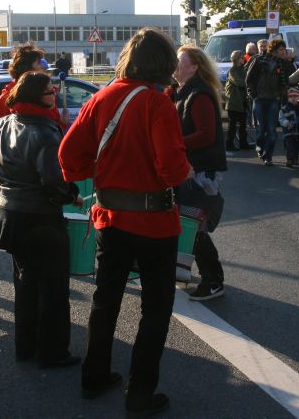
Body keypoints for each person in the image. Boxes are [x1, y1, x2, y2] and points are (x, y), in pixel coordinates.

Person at [59, 28, 191, 416]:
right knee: (155, 309)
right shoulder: (157, 103)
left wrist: (100, 171)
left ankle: (93, 376)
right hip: (153, 223)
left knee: (106, 300)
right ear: (163, 63)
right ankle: (140, 394)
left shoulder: (102, 96)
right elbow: (172, 170)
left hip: (109, 218)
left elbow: (68, 155)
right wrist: (184, 169)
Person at [0, 72, 81, 368]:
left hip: (10, 217)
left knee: (25, 286)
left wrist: (8, 189)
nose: (54, 95)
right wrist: (71, 194)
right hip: (41, 221)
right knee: (53, 289)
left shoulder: (4, 123)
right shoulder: (45, 133)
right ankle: (52, 353)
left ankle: (25, 348)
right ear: (37, 96)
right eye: (50, 91)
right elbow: (53, 182)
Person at [171, 46, 227, 301]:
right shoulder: (183, 91)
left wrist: (174, 144)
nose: (175, 65)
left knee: (194, 227)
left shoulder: (199, 94)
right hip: (190, 169)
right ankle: (202, 274)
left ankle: (213, 280)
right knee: (189, 225)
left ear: (194, 67)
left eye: (179, 61)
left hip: (200, 173)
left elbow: (206, 135)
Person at [0, 44, 68, 130]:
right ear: (27, 68)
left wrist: (62, 123)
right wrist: (16, 133)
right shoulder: (12, 92)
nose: (42, 67)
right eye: (38, 63)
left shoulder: (44, 90)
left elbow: (52, 124)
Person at [245, 38, 293, 166]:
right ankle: (259, 147)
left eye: (284, 49)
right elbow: (249, 78)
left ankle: (268, 156)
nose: (283, 52)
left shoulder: (282, 63)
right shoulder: (259, 60)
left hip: (273, 100)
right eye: (281, 49)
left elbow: (286, 82)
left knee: (272, 131)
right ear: (274, 50)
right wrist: (253, 94)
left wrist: (279, 95)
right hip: (259, 99)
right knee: (261, 130)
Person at [224, 50, 250, 150]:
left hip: (242, 101)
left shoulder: (243, 69)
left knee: (243, 125)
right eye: (241, 57)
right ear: (236, 59)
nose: (243, 59)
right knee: (232, 125)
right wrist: (248, 82)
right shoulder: (232, 70)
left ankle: (243, 143)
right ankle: (229, 144)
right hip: (233, 102)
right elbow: (238, 82)